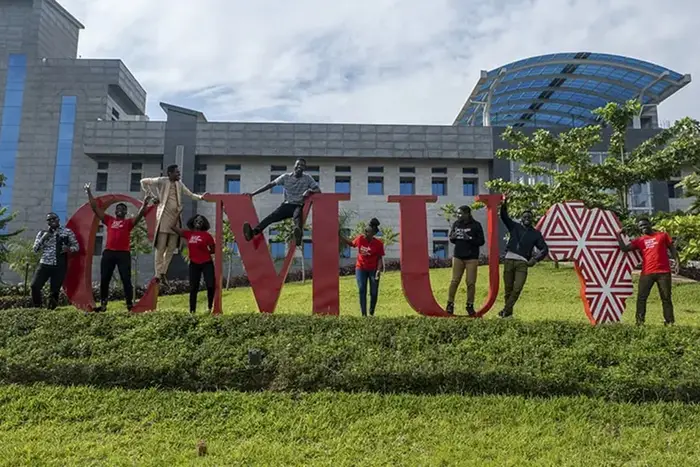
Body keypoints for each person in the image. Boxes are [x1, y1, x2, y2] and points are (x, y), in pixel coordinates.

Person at [84, 183, 151, 312]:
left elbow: (141, 214)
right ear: (115, 211)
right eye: (118, 208)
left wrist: (145, 202)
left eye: (122, 208)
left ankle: (129, 306)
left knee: (126, 279)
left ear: (125, 212)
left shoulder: (128, 223)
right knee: (105, 279)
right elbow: (95, 208)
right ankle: (103, 305)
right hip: (109, 253)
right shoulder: (109, 220)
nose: (120, 209)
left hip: (123, 254)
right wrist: (88, 192)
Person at [140, 164, 209, 285]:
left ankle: (162, 273)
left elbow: (190, 194)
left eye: (179, 173)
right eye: (177, 173)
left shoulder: (179, 184)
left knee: (172, 248)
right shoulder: (161, 181)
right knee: (160, 248)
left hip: (175, 221)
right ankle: (157, 274)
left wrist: (202, 197)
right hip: (163, 219)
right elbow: (143, 181)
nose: (179, 175)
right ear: (170, 173)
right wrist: (152, 196)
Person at [616, 218, 680, 326]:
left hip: (663, 272)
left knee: (666, 298)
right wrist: (619, 235)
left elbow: (672, 249)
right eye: (641, 226)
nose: (643, 227)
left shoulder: (662, 236)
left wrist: (677, 262)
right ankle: (639, 322)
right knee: (641, 297)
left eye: (645, 225)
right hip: (647, 273)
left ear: (650, 224)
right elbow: (624, 249)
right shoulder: (640, 240)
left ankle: (669, 322)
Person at [242, 158, 320, 246]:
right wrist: (253, 193)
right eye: (298, 164)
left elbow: (318, 190)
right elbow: (270, 185)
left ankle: (298, 236)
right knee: (271, 217)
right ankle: (253, 232)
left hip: (298, 205)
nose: (299, 166)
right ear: (294, 166)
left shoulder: (307, 178)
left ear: (304, 168)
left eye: (302, 165)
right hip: (287, 205)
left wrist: (309, 191)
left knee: (297, 216)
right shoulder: (285, 177)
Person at [498, 196, 548, 318]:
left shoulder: (536, 234)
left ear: (532, 219)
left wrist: (535, 259)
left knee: (517, 288)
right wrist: (504, 203)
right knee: (508, 289)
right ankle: (507, 314)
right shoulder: (514, 227)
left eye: (529, 217)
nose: (527, 219)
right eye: (525, 217)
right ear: (521, 218)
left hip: (522, 263)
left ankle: (505, 310)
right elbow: (504, 216)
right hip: (509, 260)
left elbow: (544, 249)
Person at [31, 212, 79, 309]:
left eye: (54, 218)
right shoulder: (42, 233)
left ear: (58, 219)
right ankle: (37, 308)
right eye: (49, 220)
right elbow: (35, 250)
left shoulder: (67, 232)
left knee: (54, 291)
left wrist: (68, 249)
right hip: (44, 264)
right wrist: (43, 239)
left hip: (59, 265)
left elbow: (76, 247)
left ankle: (51, 311)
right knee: (34, 286)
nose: (52, 221)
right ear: (47, 222)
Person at [170, 214, 216, 314]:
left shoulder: (207, 236)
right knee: (193, 288)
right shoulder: (188, 234)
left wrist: (204, 253)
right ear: (193, 222)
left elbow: (213, 250)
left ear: (203, 223)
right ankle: (192, 311)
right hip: (194, 264)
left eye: (200, 221)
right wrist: (177, 214)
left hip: (206, 263)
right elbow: (173, 227)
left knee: (210, 285)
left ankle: (210, 307)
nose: (198, 222)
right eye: (196, 221)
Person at [340, 218, 385, 317]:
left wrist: (378, 270)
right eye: (365, 230)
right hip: (361, 268)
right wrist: (340, 236)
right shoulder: (360, 239)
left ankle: (371, 312)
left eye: (367, 231)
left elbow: (379, 258)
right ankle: (363, 314)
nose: (365, 233)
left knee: (374, 292)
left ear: (372, 233)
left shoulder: (378, 244)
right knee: (362, 289)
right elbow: (351, 243)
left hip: (373, 270)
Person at [446, 205, 485, 316]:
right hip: (458, 256)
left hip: (471, 258)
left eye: (460, 213)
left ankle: (470, 305)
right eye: (457, 213)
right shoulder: (456, 224)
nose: (458, 215)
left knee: (470, 282)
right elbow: (452, 239)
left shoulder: (476, 225)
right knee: (454, 281)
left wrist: (470, 238)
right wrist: (453, 236)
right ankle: (450, 304)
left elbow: (481, 241)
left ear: (467, 214)